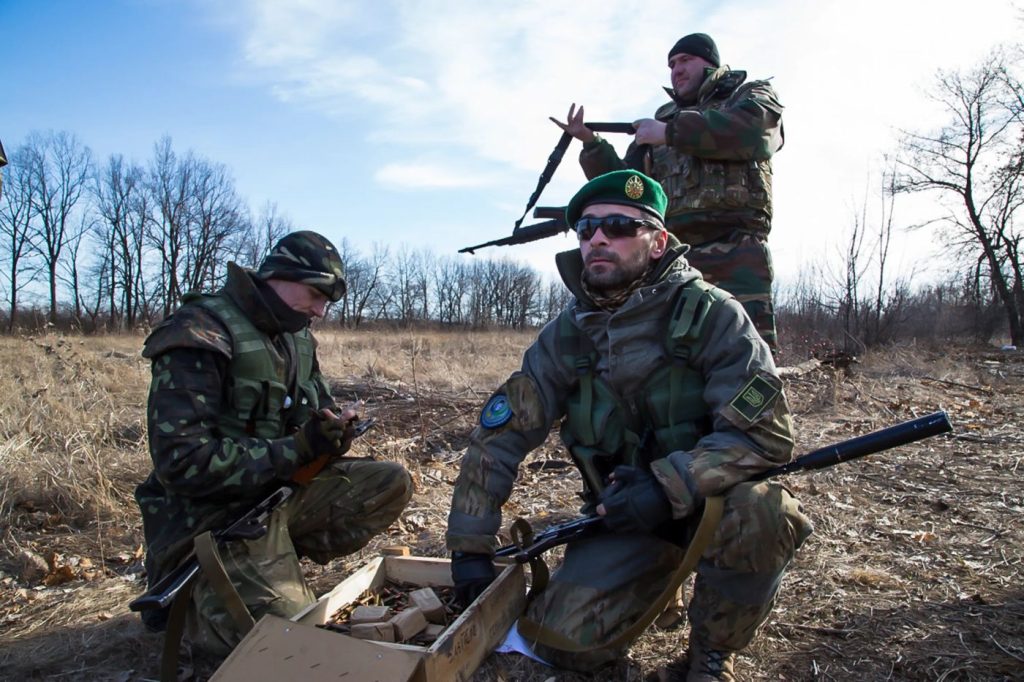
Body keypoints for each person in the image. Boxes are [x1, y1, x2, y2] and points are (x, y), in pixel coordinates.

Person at [446, 171, 810, 680]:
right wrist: (469, 549)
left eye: (619, 226)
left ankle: (709, 656)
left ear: (659, 242)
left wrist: (669, 486)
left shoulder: (714, 317)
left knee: (765, 511)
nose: (597, 237)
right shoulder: (565, 336)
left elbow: (764, 434)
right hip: (622, 520)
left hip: (711, 511)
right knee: (563, 644)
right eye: (587, 228)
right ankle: (655, 585)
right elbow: (498, 440)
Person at [135, 230, 413, 656]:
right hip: (210, 522)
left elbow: (313, 415)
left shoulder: (297, 336)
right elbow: (182, 462)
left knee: (390, 482)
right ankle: (200, 603)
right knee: (292, 644)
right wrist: (298, 449)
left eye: (327, 301)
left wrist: (332, 434)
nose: (320, 310)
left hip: (276, 497)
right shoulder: (200, 331)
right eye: (315, 294)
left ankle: (272, 559)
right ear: (279, 276)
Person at [552, 32, 784, 351]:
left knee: (745, 348)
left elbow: (757, 132)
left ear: (711, 63)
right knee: (669, 353)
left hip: (735, 251)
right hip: (672, 257)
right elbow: (630, 191)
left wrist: (670, 133)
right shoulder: (659, 121)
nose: (677, 69)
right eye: (672, 64)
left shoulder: (749, 96)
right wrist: (592, 144)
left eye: (686, 60)